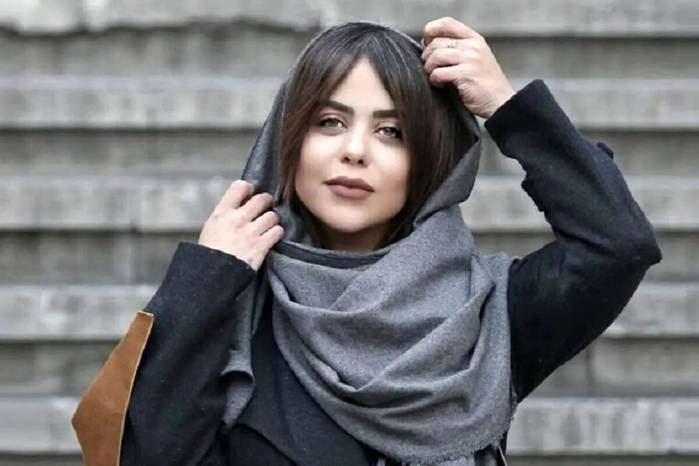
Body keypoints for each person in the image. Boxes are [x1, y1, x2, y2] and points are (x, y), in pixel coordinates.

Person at [71, 17, 663, 466]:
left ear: (427, 162)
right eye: (329, 123)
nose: (355, 150)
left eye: (392, 131)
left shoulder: (486, 316)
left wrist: (509, 110)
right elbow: (144, 455)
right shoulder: (235, 311)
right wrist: (205, 278)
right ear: (288, 141)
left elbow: (618, 244)